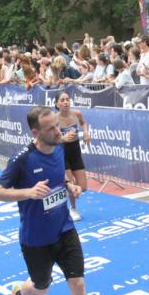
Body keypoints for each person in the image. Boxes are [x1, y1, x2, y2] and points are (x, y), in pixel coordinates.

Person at [0, 106, 102, 295]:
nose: (58, 131)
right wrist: (28, 193)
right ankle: (20, 293)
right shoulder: (22, 159)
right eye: (51, 128)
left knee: (79, 285)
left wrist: (70, 185)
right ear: (35, 132)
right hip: (36, 239)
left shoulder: (61, 148)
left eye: (57, 125)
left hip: (64, 229)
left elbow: (58, 179)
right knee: (41, 289)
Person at [55, 92, 90, 222]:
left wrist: (86, 132)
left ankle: (62, 190)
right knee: (71, 185)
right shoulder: (54, 119)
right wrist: (62, 138)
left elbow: (83, 123)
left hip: (75, 151)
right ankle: (73, 208)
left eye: (67, 99)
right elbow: (49, 139)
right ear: (57, 104)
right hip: (62, 152)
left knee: (83, 187)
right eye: (62, 100)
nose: (66, 102)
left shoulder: (77, 114)